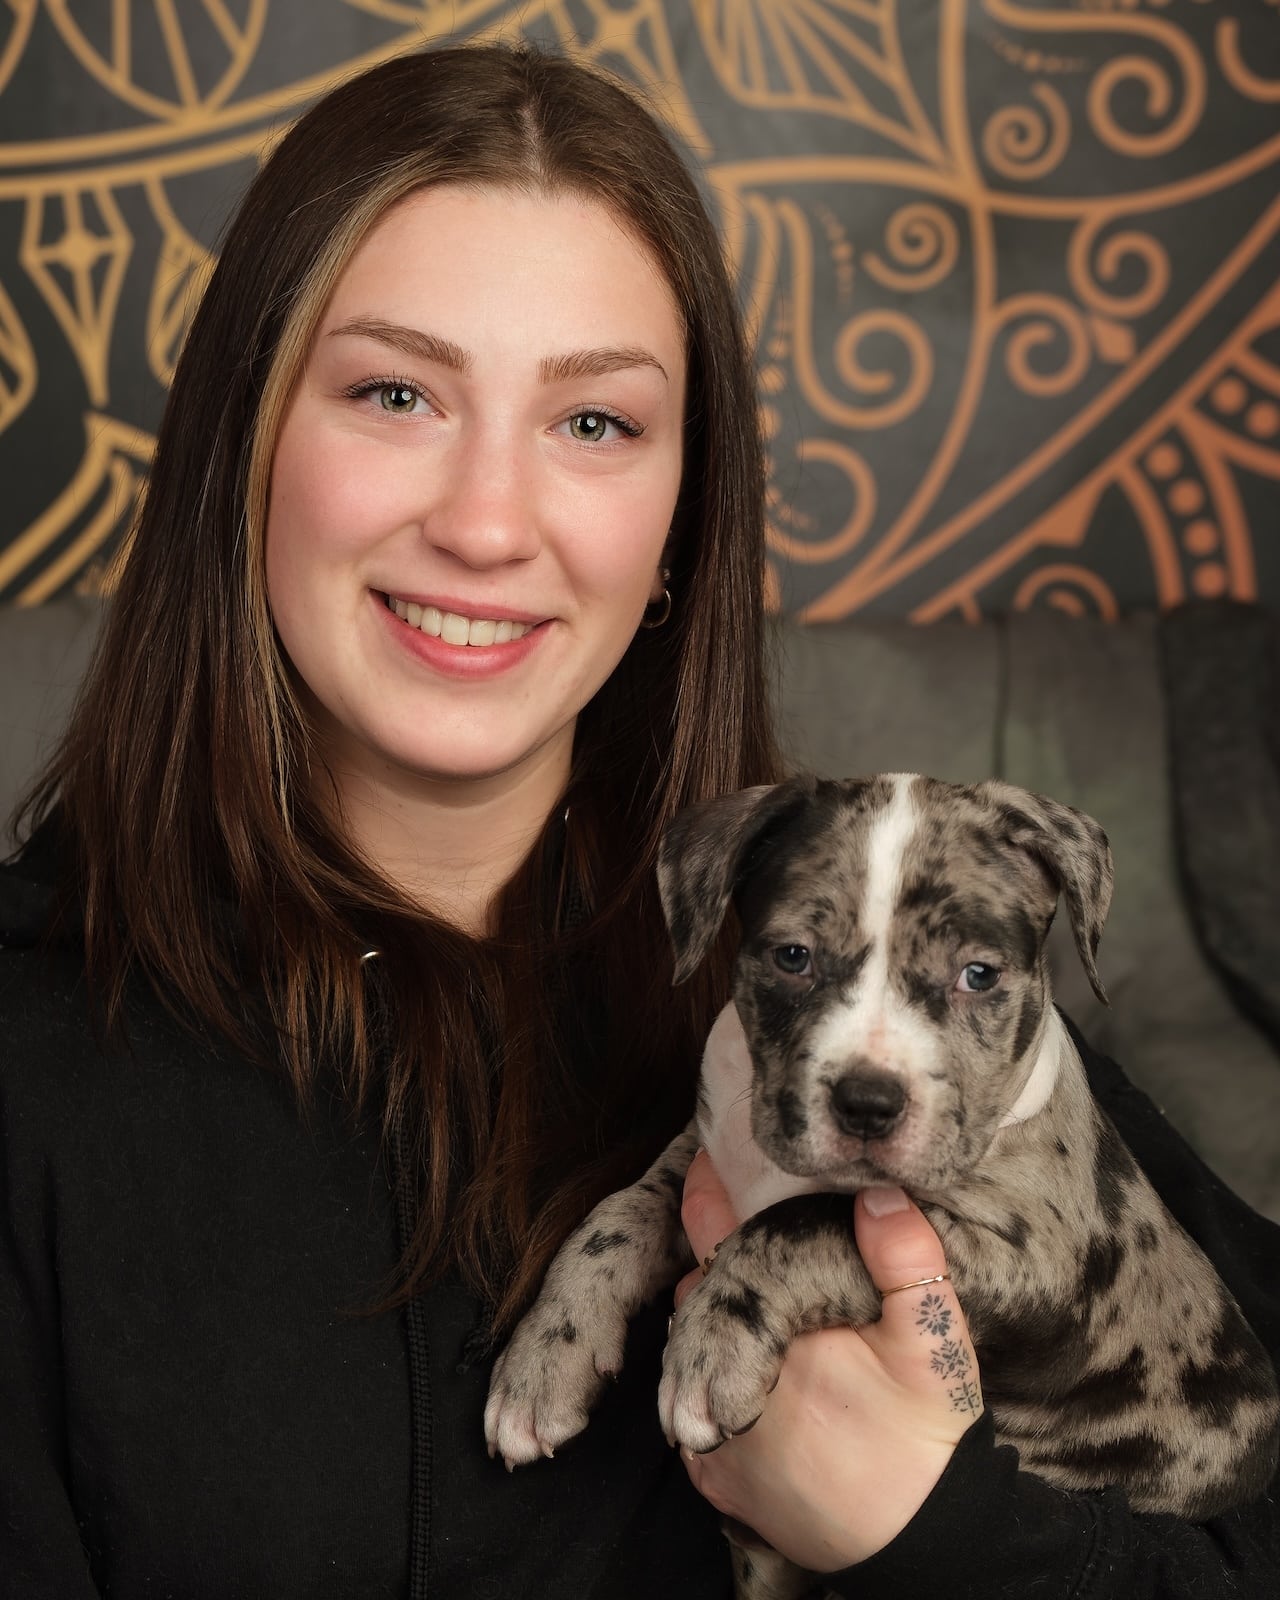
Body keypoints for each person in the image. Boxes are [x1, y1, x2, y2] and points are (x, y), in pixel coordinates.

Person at [0, 40, 1276, 1600]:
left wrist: (931, 1526)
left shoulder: (889, 973)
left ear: (680, 515)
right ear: (240, 454)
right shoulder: (36, 1061)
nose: (484, 521)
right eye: (395, 392)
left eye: (593, 423)